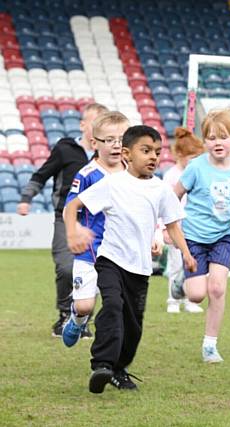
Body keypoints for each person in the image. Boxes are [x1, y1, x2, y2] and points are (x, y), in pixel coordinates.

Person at [64, 125, 196, 393]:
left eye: (157, 152)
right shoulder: (112, 185)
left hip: (140, 269)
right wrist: (72, 232)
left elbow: (172, 225)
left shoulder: (161, 189)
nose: (153, 157)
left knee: (133, 327)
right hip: (110, 260)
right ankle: (101, 365)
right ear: (126, 154)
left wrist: (186, 253)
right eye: (145, 150)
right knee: (112, 306)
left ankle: (118, 369)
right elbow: (72, 206)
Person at [171, 110, 230, 363]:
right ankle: (180, 283)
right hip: (194, 237)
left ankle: (210, 346)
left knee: (217, 288)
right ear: (205, 142)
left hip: (222, 238)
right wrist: (168, 228)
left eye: (223, 136)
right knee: (196, 295)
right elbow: (173, 197)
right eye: (211, 137)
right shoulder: (196, 167)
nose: (217, 142)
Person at [18, 103, 108, 337]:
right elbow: (42, 174)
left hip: (98, 220)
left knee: (97, 270)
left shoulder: (109, 155)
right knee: (66, 268)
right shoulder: (65, 149)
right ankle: (64, 315)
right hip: (65, 216)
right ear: (83, 125)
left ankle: (82, 320)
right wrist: (27, 197)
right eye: (94, 123)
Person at [60, 111, 129, 347]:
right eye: (109, 140)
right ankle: (77, 320)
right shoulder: (87, 175)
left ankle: (108, 352)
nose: (116, 145)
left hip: (120, 251)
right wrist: (73, 231)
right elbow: (70, 207)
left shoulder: (133, 172)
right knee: (85, 305)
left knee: (116, 305)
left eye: (121, 139)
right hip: (90, 250)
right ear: (94, 143)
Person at [162, 127, 205, 314]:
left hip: (194, 226)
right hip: (176, 226)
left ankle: (189, 299)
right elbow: (165, 204)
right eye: (191, 156)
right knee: (175, 264)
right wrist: (165, 229)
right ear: (179, 154)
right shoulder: (171, 176)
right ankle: (173, 299)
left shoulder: (198, 172)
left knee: (191, 263)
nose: (195, 161)